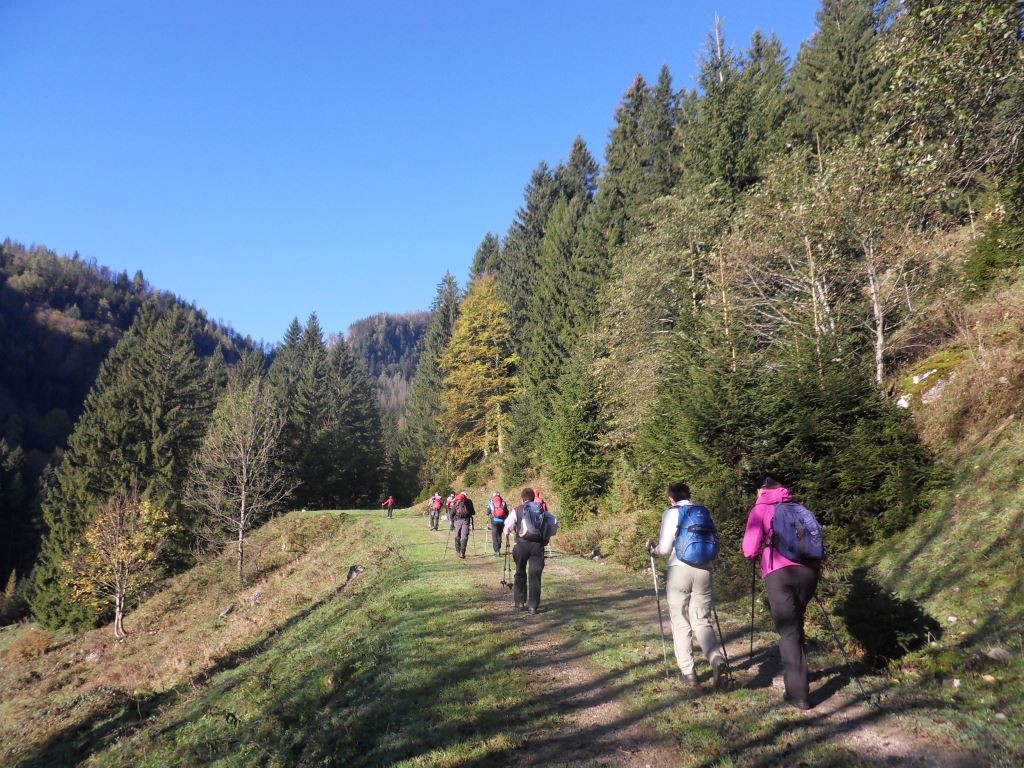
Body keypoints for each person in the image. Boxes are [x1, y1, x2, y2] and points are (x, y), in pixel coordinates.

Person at [743, 477, 820, 711]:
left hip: (779, 572)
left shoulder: (760, 509)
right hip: (809, 571)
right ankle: (796, 681)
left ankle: (798, 695)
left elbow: (749, 550)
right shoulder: (799, 507)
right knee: (796, 627)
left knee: (788, 631)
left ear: (761, 491)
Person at [647, 482, 728, 691]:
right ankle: (717, 660)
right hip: (704, 569)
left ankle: (688, 673)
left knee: (681, 621)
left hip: (679, 570)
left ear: (670, 497)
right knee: (702, 620)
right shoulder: (702, 512)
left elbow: (664, 549)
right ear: (689, 495)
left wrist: (653, 550)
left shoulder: (671, 513)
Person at [503, 488, 558, 614]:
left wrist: (509, 533)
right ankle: (533, 606)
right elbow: (554, 523)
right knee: (535, 576)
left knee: (520, 572)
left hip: (521, 545)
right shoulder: (540, 510)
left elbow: (507, 527)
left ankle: (520, 602)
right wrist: (546, 536)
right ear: (533, 498)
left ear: (522, 498)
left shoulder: (517, 510)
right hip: (537, 546)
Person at [451, 491, 476, 559]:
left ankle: (458, 551)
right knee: (464, 536)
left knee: (457, 536)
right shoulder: (469, 501)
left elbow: (452, 512)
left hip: (457, 520)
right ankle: (462, 552)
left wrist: (452, 523)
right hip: (466, 520)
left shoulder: (456, 501)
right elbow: (473, 512)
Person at [486, 491, 509, 556]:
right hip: (502, 521)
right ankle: (498, 548)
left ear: (493, 496)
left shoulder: (491, 502)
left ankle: (496, 550)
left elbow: (487, 512)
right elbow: (507, 512)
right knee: (499, 534)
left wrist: (489, 513)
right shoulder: (503, 502)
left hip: (494, 520)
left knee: (494, 535)